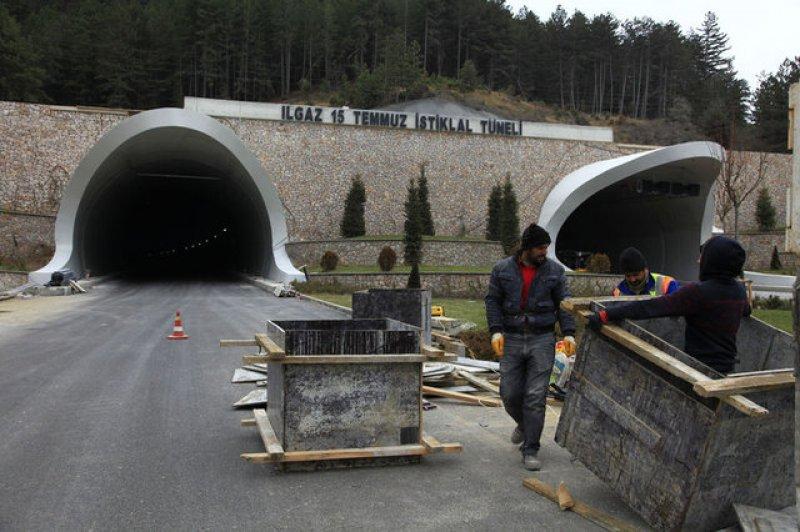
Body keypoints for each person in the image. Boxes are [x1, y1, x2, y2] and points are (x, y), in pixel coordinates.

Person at [485, 223, 576, 470]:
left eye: (546, 247)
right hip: (512, 338)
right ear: (526, 247)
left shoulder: (555, 272)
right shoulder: (502, 269)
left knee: (535, 396)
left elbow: (564, 303)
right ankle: (525, 426)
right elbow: (493, 300)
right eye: (539, 247)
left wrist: (568, 334)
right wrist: (495, 331)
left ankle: (531, 448)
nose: (543, 252)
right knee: (509, 393)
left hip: (542, 339)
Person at [588, 236, 750, 374]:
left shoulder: (697, 293)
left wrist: (606, 314)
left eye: (703, 257)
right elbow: (746, 311)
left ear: (713, 262)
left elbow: (650, 308)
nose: (698, 260)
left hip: (699, 370)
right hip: (727, 369)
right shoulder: (739, 291)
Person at [612, 247, 679, 296]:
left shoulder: (667, 284)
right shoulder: (619, 292)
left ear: (645, 270)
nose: (632, 279)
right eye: (628, 276)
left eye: (636, 275)